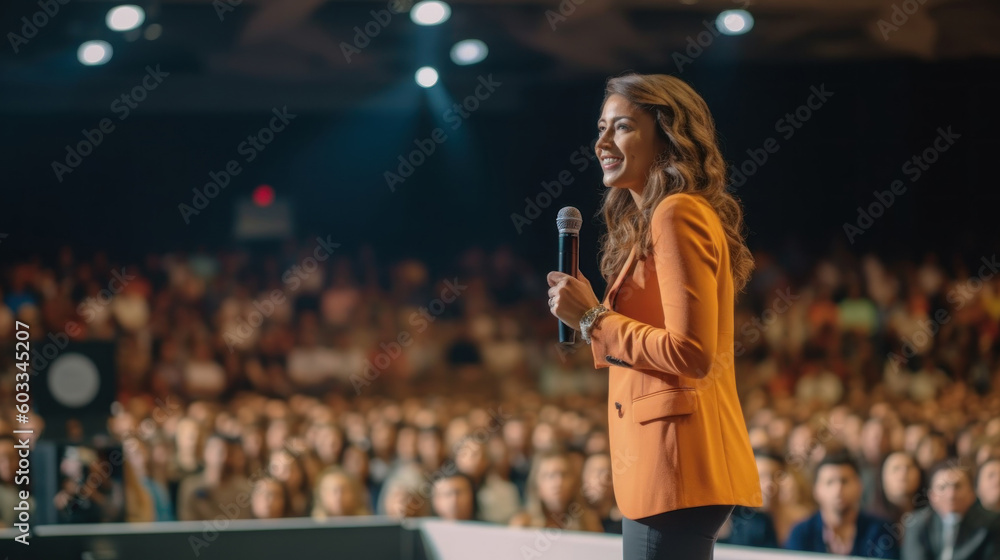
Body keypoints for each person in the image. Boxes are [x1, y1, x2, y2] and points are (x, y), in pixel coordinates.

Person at [546, 72, 761, 560]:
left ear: (666, 133)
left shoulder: (675, 214)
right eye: (600, 127)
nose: (602, 141)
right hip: (667, 463)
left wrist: (593, 319)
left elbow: (692, 353)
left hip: (675, 461)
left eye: (621, 126)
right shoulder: (662, 217)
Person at [785, 453, 899, 558]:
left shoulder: (880, 530)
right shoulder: (801, 533)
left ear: (859, 486)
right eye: (829, 482)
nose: (838, 489)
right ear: (816, 490)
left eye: (844, 481)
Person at [902, 461, 1000, 560]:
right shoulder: (916, 523)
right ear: (931, 495)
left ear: (972, 493)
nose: (951, 494)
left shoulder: (992, 523)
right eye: (942, 487)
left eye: (957, 486)